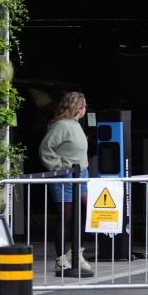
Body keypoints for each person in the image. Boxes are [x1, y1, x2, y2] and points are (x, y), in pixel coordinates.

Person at [39, 91, 93, 277]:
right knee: (66, 217)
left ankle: (76, 252)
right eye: (85, 106)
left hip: (80, 175)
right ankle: (61, 258)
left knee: (86, 211)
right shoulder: (62, 126)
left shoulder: (75, 125)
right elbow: (46, 148)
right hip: (66, 175)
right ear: (79, 108)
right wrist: (59, 167)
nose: (86, 109)